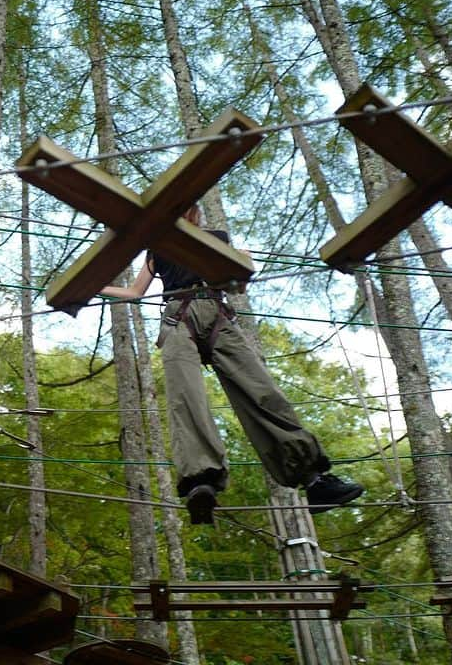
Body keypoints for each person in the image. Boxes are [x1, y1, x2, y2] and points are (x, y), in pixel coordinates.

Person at [99, 205, 363, 524]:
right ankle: (200, 481)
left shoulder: (216, 239)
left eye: (189, 210)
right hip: (177, 320)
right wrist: (92, 290)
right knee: (186, 399)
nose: (187, 215)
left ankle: (313, 480)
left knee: (261, 392)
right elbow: (134, 291)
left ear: (194, 213)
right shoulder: (157, 247)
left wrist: (244, 260)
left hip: (217, 315)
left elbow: (238, 283)